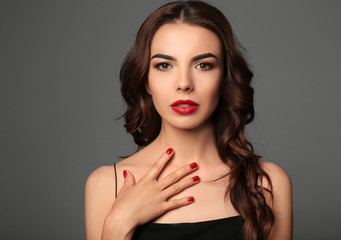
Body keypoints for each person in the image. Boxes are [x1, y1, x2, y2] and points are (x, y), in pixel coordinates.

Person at [85, 1, 292, 240]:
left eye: (203, 65)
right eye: (164, 65)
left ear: (224, 78)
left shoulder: (267, 183)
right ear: (146, 81)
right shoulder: (105, 185)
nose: (184, 83)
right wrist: (117, 224)